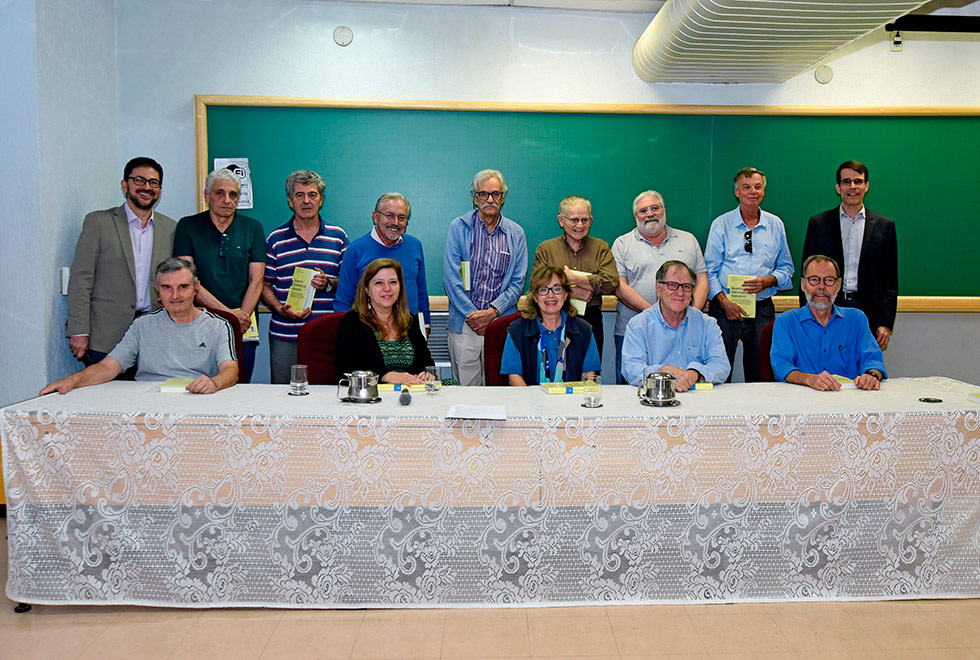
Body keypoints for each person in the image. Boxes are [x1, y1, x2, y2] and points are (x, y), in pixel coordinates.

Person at [41, 258, 238, 395]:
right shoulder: (143, 325)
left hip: (197, 399)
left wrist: (214, 382)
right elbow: (109, 367)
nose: (175, 296)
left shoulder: (218, 326)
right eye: (167, 288)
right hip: (147, 403)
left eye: (183, 287)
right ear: (157, 291)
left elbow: (230, 369)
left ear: (196, 288)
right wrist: (72, 381)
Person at [66, 156, 177, 366]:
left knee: (146, 397)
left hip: (153, 335)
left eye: (153, 182)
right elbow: (81, 279)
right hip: (105, 335)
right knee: (105, 397)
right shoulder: (99, 222)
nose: (146, 187)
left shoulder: (171, 228)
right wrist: (78, 330)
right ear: (124, 184)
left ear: (160, 190)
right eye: (139, 180)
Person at [173, 168, 265, 383]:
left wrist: (240, 317)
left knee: (239, 387)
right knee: (200, 387)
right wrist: (228, 316)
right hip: (200, 323)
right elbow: (189, 281)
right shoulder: (188, 226)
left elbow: (256, 281)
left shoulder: (252, 228)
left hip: (244, 326)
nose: (227, 200)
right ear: (207, 196)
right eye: (219, 193)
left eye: (233, 194)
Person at [705, 167, 794, 383]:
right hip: (725, 309)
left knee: (761, 373)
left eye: (757, 187)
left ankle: (759, 417)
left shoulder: (776, 225)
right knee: (720, 373)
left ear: (764, 191)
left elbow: (786, 268)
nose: (752, 191)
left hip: (762, 309)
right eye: (746, 187)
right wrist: (725, 303)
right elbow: (709, 269)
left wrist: (770, 281)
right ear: (737, 192)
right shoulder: (721, 224)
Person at [261, 169, 349, 384]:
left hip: (327, 336)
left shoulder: (338, 237)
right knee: (283, 397)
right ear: (290, 201)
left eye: (312, 194)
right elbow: (263, 285)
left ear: (321, 200)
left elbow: (350, 283)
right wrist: (280, 309)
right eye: (300, 195)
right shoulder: (275, 239)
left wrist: (328, 282)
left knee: (327, 399)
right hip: (285, 336)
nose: (306, 201)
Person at [612, 190, 708, 384]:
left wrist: (689, 315)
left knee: (685, 384)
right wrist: (657, 315)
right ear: (635, 216)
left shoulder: (688, 240)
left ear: (664, 210)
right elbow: (620, 287)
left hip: (686, 330)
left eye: (655, 208)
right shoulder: (622, 244)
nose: (650, 214)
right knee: (632, 387)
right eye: (643, 210)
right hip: (634, 330)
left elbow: (702, 280)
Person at [800, 160, 897, 350]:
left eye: (858, 181)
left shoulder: (884, 227)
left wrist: (885, 322)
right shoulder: (818, 224)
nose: (852, 187)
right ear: (838, 187)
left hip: (868, 309)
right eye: (846, 181)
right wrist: (808, 314)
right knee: (827, 362)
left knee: (862, 367)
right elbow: (806, 274)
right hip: (828, 304)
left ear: (866, 186)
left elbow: (890, 280)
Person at [443, 169, 527, 385]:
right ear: (474, 198)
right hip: (465, 324)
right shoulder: (458, 228)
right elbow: (452, 280)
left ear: (503, 198)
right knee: (466, 394)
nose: (490, 199)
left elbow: (518, 283)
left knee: (500, 390)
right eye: (483, 194)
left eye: (496, 194)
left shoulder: (516, 233)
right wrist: (474, 316)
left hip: (500, 323)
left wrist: (492, 313)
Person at [771, 255, 886, 391]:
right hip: (803, 400)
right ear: (803, 284)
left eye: (829, 280)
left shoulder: (856, 319)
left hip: (849, 400)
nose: (821, 287)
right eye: (814, 280)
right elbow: (782, 367)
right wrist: (809, 379)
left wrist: (871, 375)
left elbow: (874, 361)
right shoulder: (786, 322)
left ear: (838, 285)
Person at [621, 260, 730, 388]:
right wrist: (662, 371)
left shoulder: (707, 324)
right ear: (658, 288)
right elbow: (631, 370)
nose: (680, 293)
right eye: (672, 285)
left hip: (698, 398)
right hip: (655, 398)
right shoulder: (638, 325)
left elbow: (722, 366)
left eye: (686, 286)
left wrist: (696, 373)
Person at [532, 195, 617, 357]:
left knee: (589, 370)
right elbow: (538, 285)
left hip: (591, 319)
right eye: (574, 219)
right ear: (561, 220)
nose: (580, 225)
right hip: (553, 318)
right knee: (554, 371)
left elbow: (610, 282)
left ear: (591, 220)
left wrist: (573, 279)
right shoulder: (546, 249)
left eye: (585, 220)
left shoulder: (601, 247)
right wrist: (577, 292)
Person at [335, 258, 435, 385]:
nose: (387, 288)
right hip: (371, 398)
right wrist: (384, 376)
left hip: (409, 395)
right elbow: (344, 372)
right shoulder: (352, 322)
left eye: (393, 282)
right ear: (366, 289)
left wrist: (427, 374)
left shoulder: (409, 320)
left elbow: (427, 363)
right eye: (379, 283)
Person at [334, 192, 429, 326]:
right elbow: (343, 300)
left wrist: (426, 325)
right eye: (389, 215)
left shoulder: (415, 246)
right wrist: (347, 332)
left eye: (401, 217)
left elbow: (421, 291)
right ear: (375, 217)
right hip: (366, 331)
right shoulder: (355, 249)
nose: (395, 222)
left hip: (408, 329)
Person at [499, 266, 601, 386]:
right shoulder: (517, 331)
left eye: (557, 289)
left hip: (571, 400)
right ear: (535, 296)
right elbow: (514, 377)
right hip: (530, 401)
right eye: (543, 289)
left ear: (566, 294)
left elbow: (588, 375)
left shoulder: (583, 330)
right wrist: (531, 403)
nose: (550, 295)